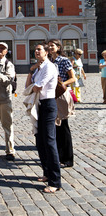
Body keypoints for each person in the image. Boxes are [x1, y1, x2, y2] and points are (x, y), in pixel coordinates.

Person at [26, 43, 61, 193]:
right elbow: (28, 85)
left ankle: (55, 181)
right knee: (40, 140)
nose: (36, 52)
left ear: (46, 52)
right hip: (39, 104)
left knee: (49, 141)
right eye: (35, 50)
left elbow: (37, 87)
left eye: (39, 49)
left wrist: (33, 86)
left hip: (48, 104)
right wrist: (30, 71)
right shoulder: (39, 68)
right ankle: (46, 172)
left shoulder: (49, 67)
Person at [48, 39, 75, 168]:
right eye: (49, 46)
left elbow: (73, 78)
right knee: (55, 127)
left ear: (59, 47)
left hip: (61, 94)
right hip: (52, 95)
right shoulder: (50, 61)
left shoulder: (64, 60)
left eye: (53, 46)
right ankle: (58, 155)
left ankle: (68, 158)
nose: (50, 48)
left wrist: (62, 84)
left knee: (63, 126)